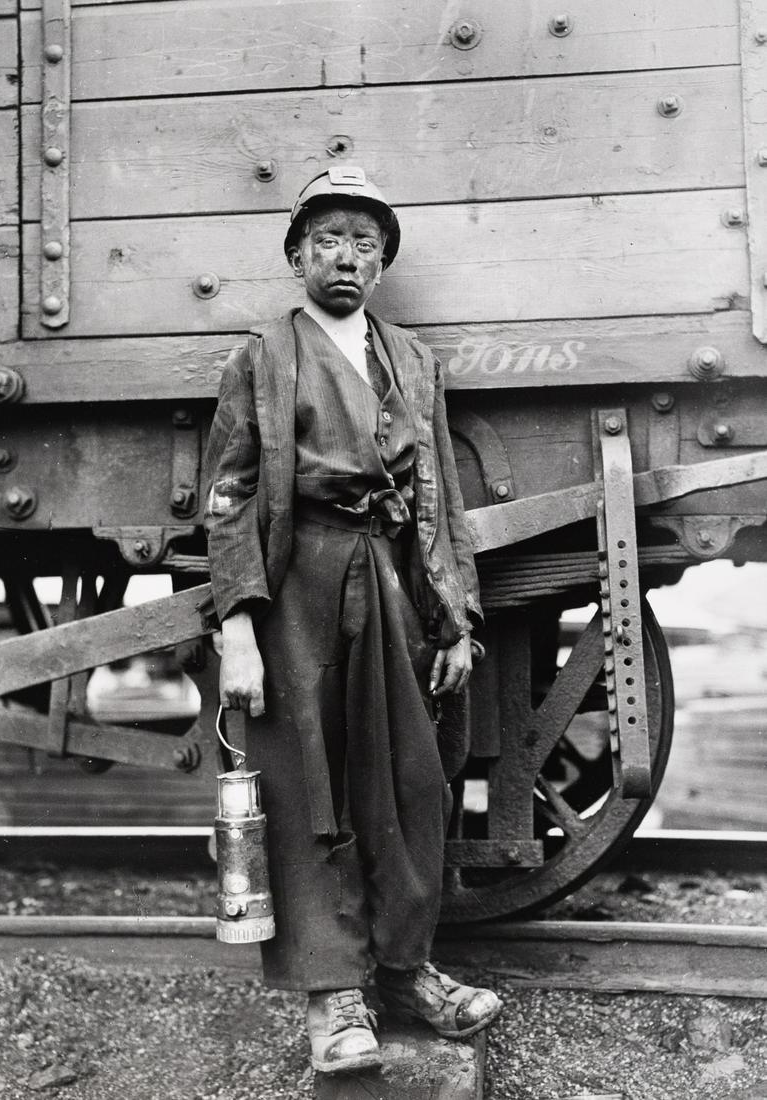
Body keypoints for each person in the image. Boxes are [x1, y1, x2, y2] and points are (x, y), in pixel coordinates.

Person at [204, 166, 501, 1074]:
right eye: (327, 240)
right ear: (297, 257)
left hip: (392, 579)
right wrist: (238, 629)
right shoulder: (262, 356)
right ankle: (333, 999)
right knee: (308, 789)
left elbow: (439, 496)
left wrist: (455, 618)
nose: (345, 257)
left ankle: (406, 972)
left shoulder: (410, 359)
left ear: (381, 264)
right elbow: (229, 497)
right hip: (297, 583)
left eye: (364, 244)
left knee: (409, 782)